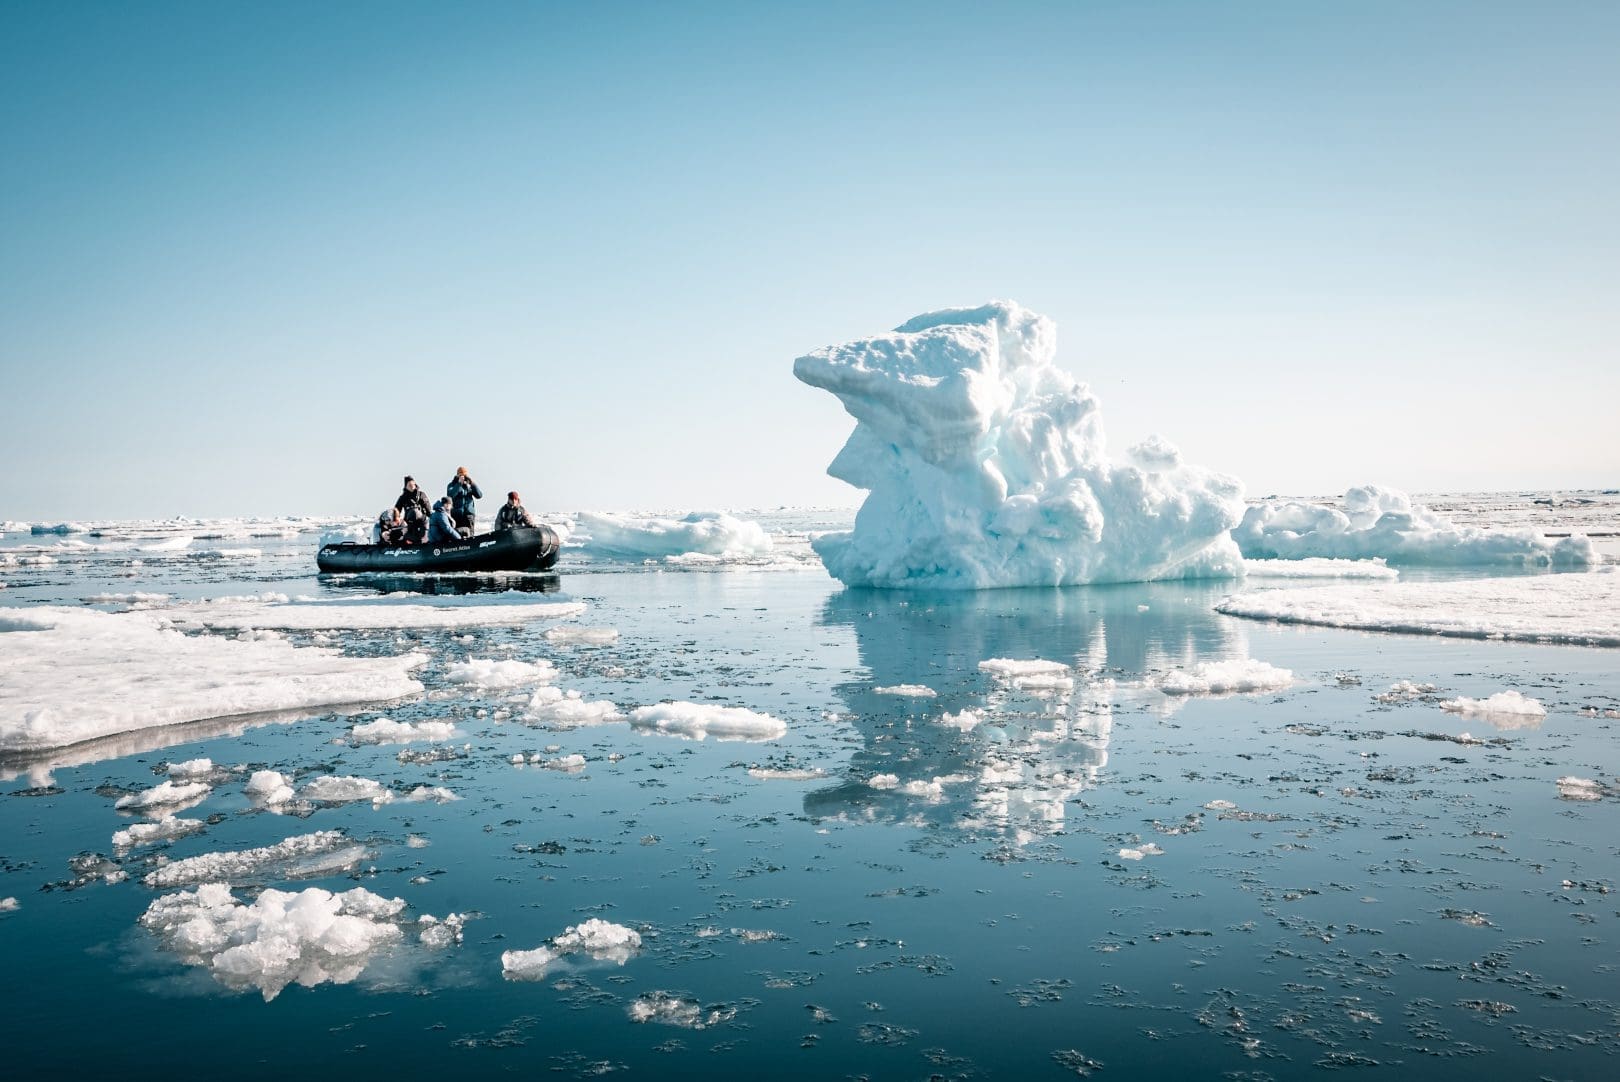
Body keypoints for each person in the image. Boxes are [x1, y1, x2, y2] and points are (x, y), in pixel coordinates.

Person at [446, 467, 483, 536]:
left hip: (469, 515)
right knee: (457, 535)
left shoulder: (469, 485)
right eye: (461, 475)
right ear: (457, 475)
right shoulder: (452, 485)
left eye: (464, 475)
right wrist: (459, 484)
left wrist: (472, 483)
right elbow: (450, 495)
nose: (463, 477)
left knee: (470, 535)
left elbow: (479, 495)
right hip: (456, 515)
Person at [395, 476, 430, 542]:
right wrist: (397, 519)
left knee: (423, 534)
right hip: (409, 520)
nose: (411, 486)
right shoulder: (403, 497)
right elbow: (397, 510)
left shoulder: (421, 494)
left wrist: (430, 516)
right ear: (406, 486)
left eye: (412, 484)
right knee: (407, 534)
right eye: (409, 485)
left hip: (421, 520)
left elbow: (427, 507)